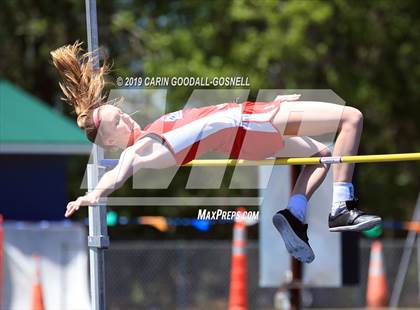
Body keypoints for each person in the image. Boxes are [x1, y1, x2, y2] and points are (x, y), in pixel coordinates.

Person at [51, 42, 381, 263]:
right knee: (352, 117)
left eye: (121, 113)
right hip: (247, 124)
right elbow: (119, 171)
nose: (126, 117)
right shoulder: (140, 149)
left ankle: (294, 215)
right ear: (110, 142)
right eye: (118, 123)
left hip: (246, 127)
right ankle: (342, 206)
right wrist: (92, 195)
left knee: (320, 156)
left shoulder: (153, 130)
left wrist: (269, 106)